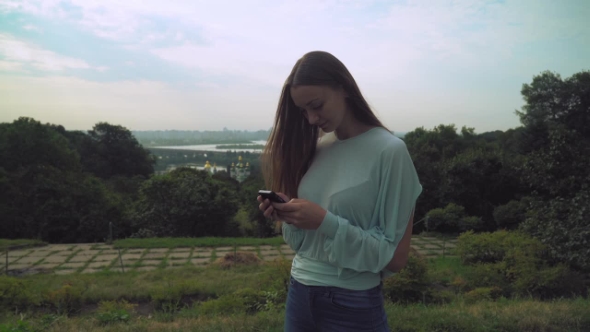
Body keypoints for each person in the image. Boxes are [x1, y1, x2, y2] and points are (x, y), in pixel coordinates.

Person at [257, 51, 422, 332]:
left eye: (317, 105)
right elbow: (305, 243)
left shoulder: (389, 152)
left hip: (352, 302)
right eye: (303, 111)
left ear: (343, 87)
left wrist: (324, 221)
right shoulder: (318, 148)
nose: (310, 119)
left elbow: (395, 258)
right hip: (299, 290)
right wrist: (289, 214)